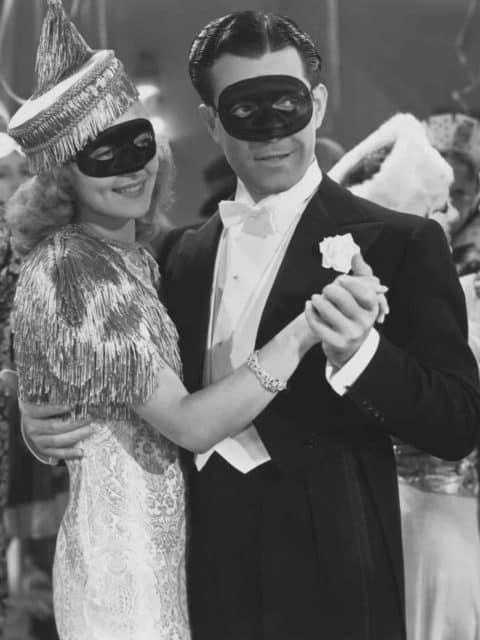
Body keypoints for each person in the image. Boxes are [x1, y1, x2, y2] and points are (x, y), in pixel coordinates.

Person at [21, 10, 480, 640]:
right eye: (244, 110)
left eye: (288, 104)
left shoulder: (404, 242)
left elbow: (457, 424)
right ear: (211, 121)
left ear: (318, 104)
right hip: (200, 573)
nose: (272, 131)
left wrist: (363, 356)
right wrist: (42, 422)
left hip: (336, 576)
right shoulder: (173, 257)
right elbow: (122, 379)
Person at [5, 3, 348, 639]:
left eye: (140, 144)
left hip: (184, 557)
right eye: (103, 154)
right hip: (124, 570)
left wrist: (39, 418)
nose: (132, 166)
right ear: (61, 175)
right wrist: (305, 330)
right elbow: (189, 424)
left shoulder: (139, 255)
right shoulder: (73, 269)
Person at [331, 111, 480, 640]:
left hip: (447, 515)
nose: (454, 208)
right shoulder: (365, 297)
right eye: (439, 200)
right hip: (393, 514)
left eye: (462, 191)